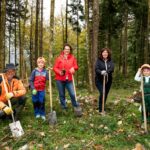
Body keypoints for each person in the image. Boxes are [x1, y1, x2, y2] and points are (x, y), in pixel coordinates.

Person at [53, 43, 81, 115]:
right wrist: (59, 72)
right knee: (62, 94)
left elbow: (76, 66)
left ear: (70, 50)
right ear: (63, 50)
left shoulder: (72, 58)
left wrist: (73, 68)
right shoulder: (59, 58)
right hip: (60, 79)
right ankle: (64, 107)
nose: (67, 50)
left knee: (72, 93)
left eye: (68, 49)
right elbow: (55, 68)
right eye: (66, 49)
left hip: (69, 79)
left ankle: (75, 106)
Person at [95, 48, 114, 114]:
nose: (105, 53)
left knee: (105, 94)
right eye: (103, 52)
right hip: (99, 81)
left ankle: (103, 106)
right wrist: (101, 72)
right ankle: (101, 110)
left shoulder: (110, 60)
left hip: (108, 81)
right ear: (101, 53)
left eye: (106, 52)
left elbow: (112, 68)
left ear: (108, 54)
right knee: (102, 92)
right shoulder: (98, 60)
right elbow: (96, 69)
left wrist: (106, 72)